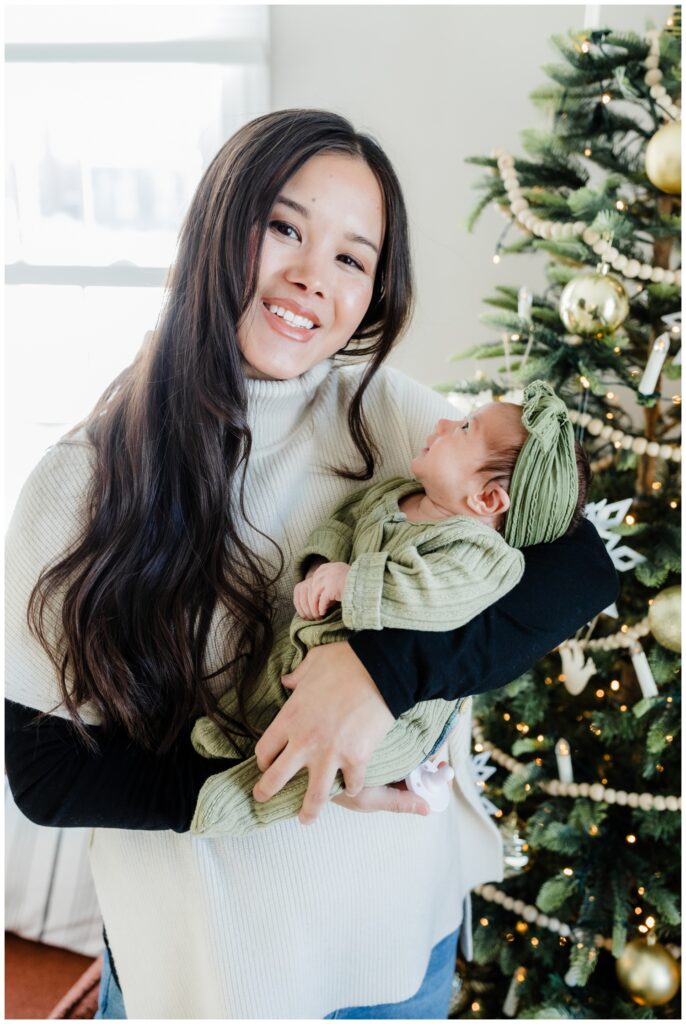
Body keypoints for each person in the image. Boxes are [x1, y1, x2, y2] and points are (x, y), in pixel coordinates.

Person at [5, 109, 618, 1020]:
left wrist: (373, 675)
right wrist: (268, 776)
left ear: (375, 290)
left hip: (403, 959)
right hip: (205, 977)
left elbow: (582, 568)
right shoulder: (82, 480)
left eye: (352, 258)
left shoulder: (398, 419)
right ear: (219, 224)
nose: (309, 278)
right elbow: (48, 777)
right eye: (285, 228)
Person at [191, 382, 591, 838]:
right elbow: (344, 520)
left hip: (403, 722)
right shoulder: (396, 494)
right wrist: (322, 565)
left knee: (336, 757)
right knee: (270, 684)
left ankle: (249, 800)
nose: (441, 424)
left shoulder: (483, 553)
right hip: (315, 639)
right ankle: (235, 733)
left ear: (487, 500)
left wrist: (352, 582)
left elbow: (434, 595)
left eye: (462, 428)